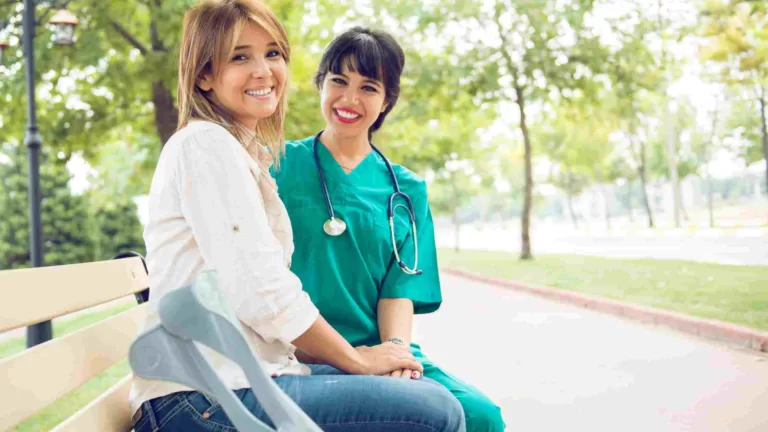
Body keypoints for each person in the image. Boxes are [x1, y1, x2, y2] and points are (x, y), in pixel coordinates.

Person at [129, 2, 466, 431]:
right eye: (240, 57)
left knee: (438, 400)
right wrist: (356, 359)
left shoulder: (241, 155)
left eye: (272, 53)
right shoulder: (206, 145)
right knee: (437, 412)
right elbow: (261, 289)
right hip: (204, 397)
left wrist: (382, 352)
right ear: (204, 76)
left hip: (241, 380)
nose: (263, 71)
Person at [272, 27, 506, 432]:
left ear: (386, 101)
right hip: (299, 350)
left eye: (368, 87)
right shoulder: (275, 166)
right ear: (320, 85)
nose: (349, 99)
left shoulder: (407, 190)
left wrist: (395, 352)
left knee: (481, 416)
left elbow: (399, 288)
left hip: (378, 346)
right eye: (339, 81)